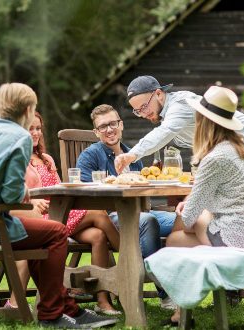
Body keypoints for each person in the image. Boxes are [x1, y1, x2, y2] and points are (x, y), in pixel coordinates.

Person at [0, 83, 117, 328]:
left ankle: (70, 310)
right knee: (57, 232)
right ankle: (52, 315)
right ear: (28, 110)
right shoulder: (19, 137)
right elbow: (11, 196)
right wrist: (24, 192)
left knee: (42, 234)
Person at [164, 86, 244, 324]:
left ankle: (179, 308)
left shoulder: (214, 158)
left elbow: (191, 218)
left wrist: (186, 208)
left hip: (237, 238)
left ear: (204, 121)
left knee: (174, 239)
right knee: (192, 221)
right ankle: (180, 310)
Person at [7, 111, 121, 315]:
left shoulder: (47, 158)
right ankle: (130, 259)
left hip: (60, 212)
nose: (35, 133)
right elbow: (12, 191)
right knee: (99, 214)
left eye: (38, 129)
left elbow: (58, 189)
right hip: (40, 218)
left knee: (98, 235)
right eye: (30, 128)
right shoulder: (16, 158)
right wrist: (32, 199)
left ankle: (102, 300)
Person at [76, 104, 178, 310]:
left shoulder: (132, 154)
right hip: (111, 217)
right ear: (96, 132)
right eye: (103, 126)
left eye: (113, 123)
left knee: (182, 219)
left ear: (121, 125)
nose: (109, 129)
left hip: (141, 212)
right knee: (148, 222)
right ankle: (164, 292)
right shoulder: (90, 155)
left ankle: (183, 280)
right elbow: (86, 196)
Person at [113, 76, 244, 185]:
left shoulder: (180, 104)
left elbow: (165, 132)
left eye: (144, 106)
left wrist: (132, 154)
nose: (143, 114)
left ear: (159, 94)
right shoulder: (166, 113)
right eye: (138, 111)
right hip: (229, 158)